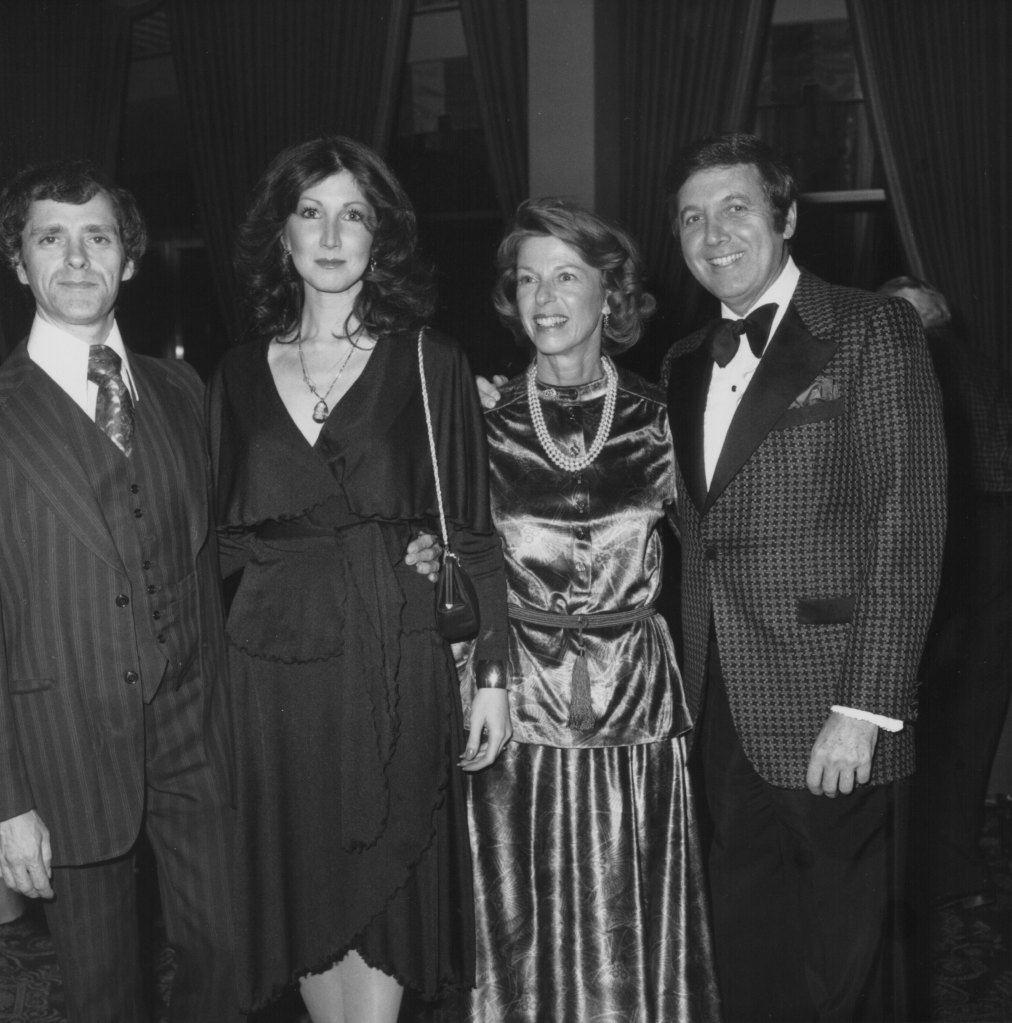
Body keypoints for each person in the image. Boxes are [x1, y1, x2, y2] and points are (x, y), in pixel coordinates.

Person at [207, 135, 510, 1023]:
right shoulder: (231, 374)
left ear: (382, 236)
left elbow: (476, 537)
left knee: (384, 894)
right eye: (311, 212)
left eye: (354, 214)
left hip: (397, 653)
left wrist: (491, 671)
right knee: (302, 894)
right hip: (271, 672)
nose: (332, 234)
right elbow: (218, 545)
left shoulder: (433, 360)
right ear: (282, 236)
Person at [660, 132, 947, 1022]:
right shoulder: (678, 364)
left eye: (736, 208)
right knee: (748, 945)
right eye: (692, 218)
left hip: (831, 704)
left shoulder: (870, 328)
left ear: (785, 216)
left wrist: (863, 708)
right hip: (717, 707)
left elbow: (910, 524)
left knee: (847, 963)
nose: (713, 235)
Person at [460, 197, 719, 1022]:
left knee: (626, 909)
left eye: (566, 275)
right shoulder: (478, 420)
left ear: (612, 294)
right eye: (527, 278)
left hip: (635, 705)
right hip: (514, 704)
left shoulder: (664, 415)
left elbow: (726, 547)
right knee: (516, 919)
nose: (544, 296)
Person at [0, 159, 237, 1022]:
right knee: (101, 994)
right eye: (48, 238)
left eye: (97, 236)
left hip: (196, 738)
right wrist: (5, 799)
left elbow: (223, 547)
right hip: (62, 750)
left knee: (227, 963)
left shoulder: (180, 392)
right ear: (19, 263)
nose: (74, 257)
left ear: (128, 259)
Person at [878, 277, 1012, 914]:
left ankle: (910, 871)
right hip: (1003, 536)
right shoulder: (988, 366)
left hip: (947, 537)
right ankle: (959, 867)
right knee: (976, 709)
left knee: (911, 700)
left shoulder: (905, 362)